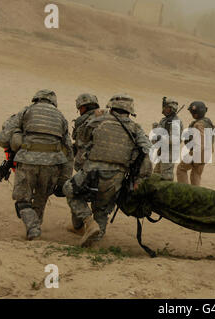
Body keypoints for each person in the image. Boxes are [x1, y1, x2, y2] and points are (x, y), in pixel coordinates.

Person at [63, 93, 152, 247]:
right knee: (102, 209)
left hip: (92, 171)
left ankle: (89, 223)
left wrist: (94, 117)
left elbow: (80, 138)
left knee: (70, 190)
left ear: (111, 107)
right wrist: (139, 179)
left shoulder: (98, 121)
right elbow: (145, 153)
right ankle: (94, 244)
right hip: (116, 177)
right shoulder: (136, 128)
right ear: (129, 112)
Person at [0, 89, 73, 240]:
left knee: (22, 199)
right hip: (53, 165)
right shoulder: (61, 117)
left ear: (36, 99)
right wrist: (64, 178)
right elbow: (68, 150)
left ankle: (32, 228)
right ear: (53, 102)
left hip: (27, 161)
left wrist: (15, 139)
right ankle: (34, 230)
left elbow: (2, 138)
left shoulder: (26, 111)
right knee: (41, 198)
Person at [176, 101, 215, 186]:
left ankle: (184, 192)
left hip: (198, 152)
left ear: (195, 114)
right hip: (207, 153)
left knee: (181, 169)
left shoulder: (199, 124)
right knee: (196, 174)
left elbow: (200, 143)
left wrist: (193, 154)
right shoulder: (207, 122)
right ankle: (195, 195)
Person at [152, 97, 183, 181]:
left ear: (171, 109)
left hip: (169, 154)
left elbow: (175, 140)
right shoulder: (165, 120)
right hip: (162, 152)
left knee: (166, 178)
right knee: (156, 175)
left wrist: (161, 137)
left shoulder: (175, 122)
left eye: (166, 107)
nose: (164, 109)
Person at [72, 93, 101, 172]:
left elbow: (81, 144)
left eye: (80, 109)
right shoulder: (105, 117)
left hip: (89, 167)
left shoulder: (85, 122)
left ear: (84, 108)